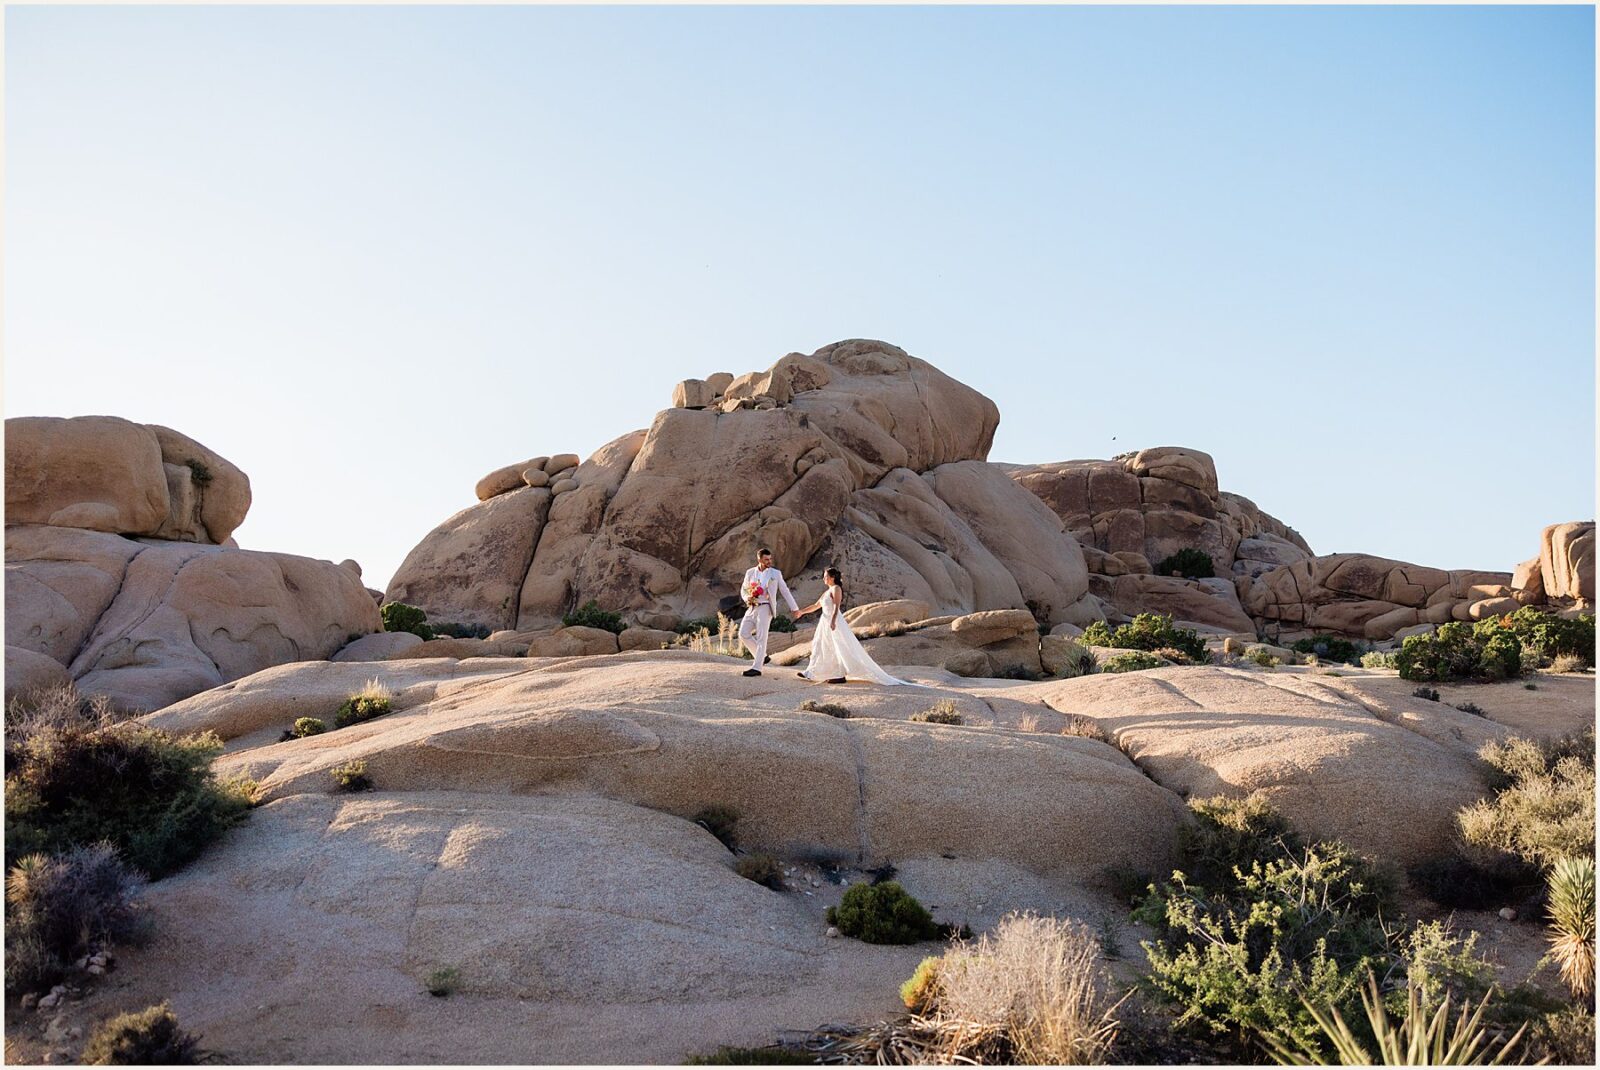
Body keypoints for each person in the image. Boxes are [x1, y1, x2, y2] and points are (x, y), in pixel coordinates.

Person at [795, 567, 913, 686]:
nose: (824, 578)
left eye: (826, 576)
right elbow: (816, 605)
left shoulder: (836, 589)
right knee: (821, 645)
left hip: (833, 621)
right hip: (824, 622)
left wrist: (833, 620)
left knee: (838, 646)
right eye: (824, 576)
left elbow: (836, 606)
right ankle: (812, 672)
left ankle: (839, 675)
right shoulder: (827, 591)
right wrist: (801, 612)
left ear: (832, 578)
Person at [737, 547, 800, 677]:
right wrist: (746, 598)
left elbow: (785, 591)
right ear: (759, 559)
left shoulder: (775, 574)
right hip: (752, 606)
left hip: (766, 607)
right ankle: (763, 657)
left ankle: (757, 668)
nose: (769, 561)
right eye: (766, 559)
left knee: (761, 637)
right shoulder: (750, 572)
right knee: (743, 633)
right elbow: (743, 589)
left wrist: (795, 608)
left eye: (770, 559)